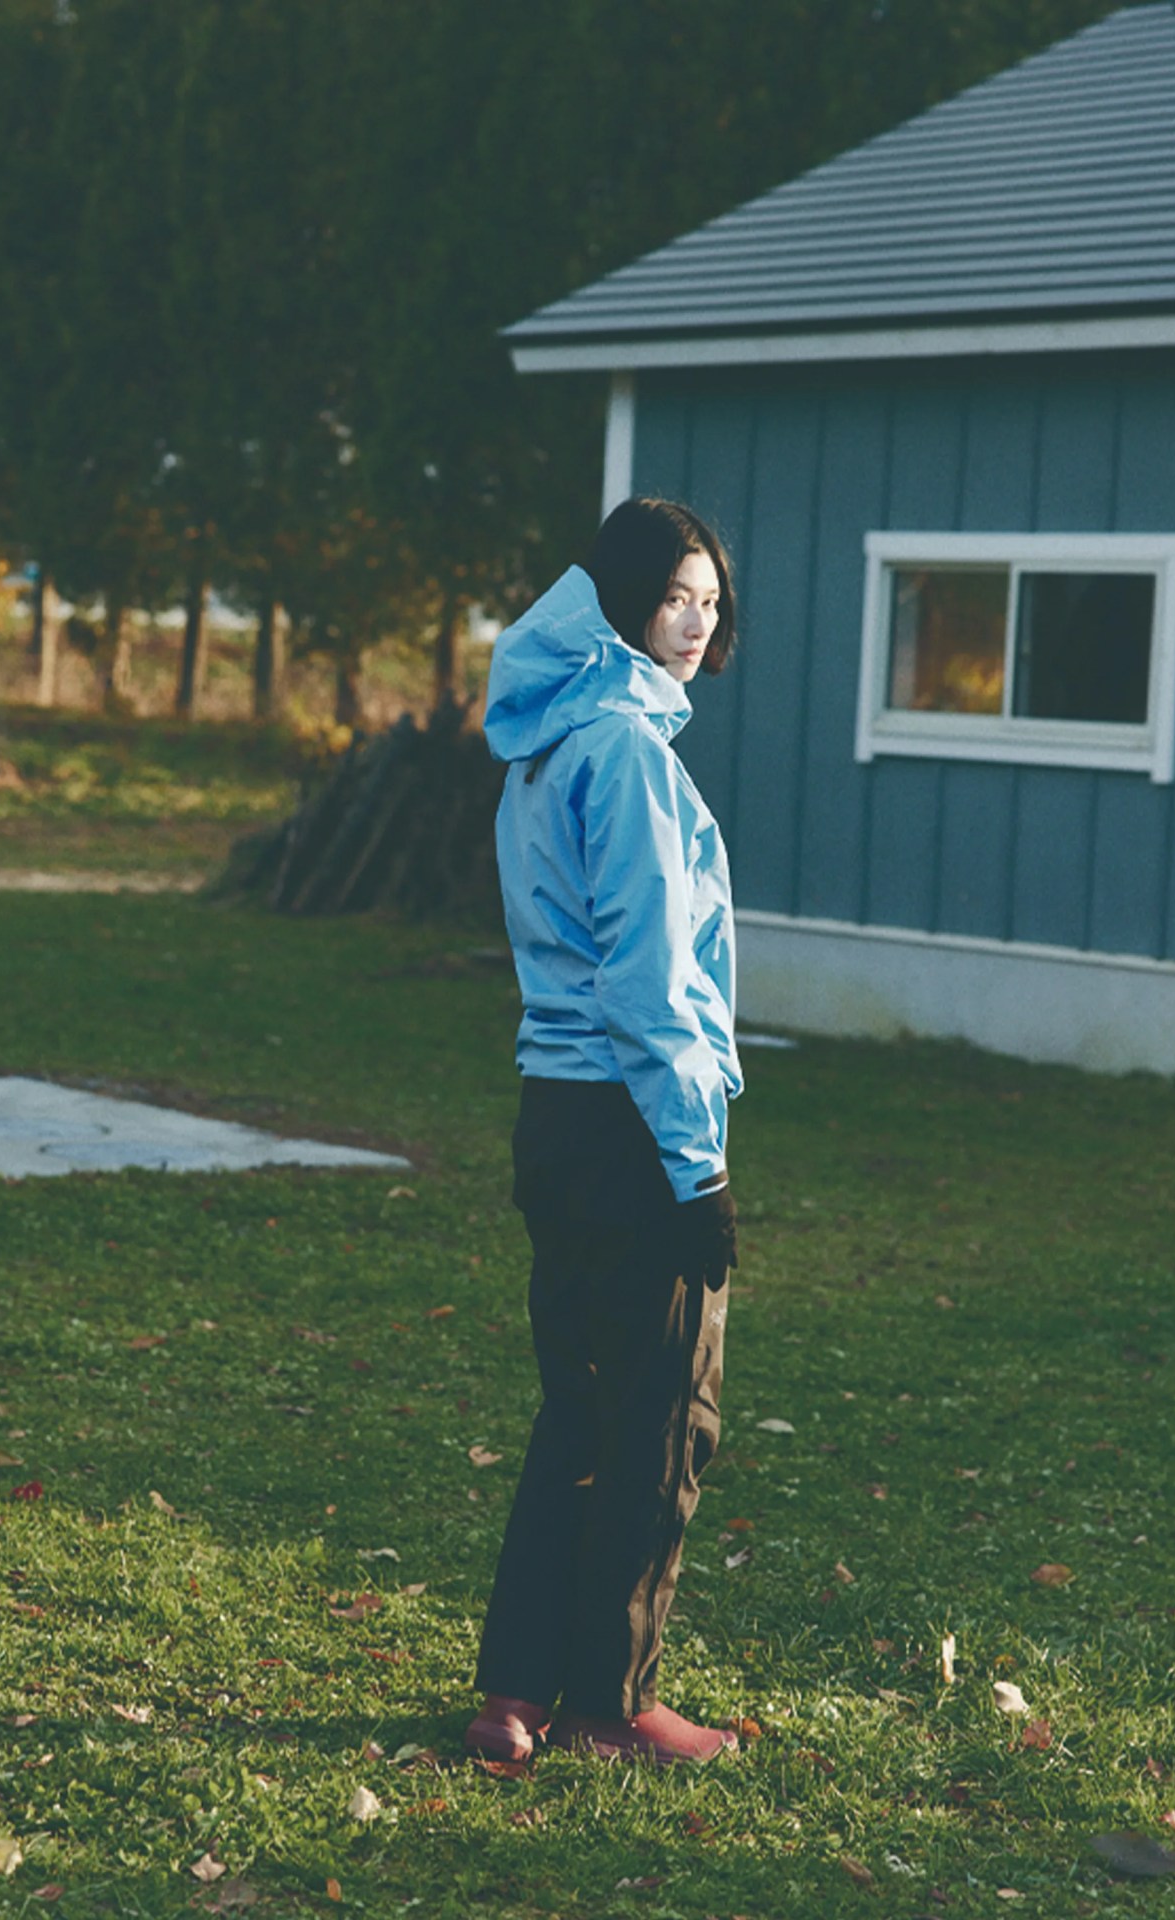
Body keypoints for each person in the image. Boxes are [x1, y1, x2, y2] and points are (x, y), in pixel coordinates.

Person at [467, 497, 745, 1767]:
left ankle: (513, 1695)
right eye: (675, 595)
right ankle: (608, 1703)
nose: (696, 621)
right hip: (632, 1123)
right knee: (658, 1418)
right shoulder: (623, 748)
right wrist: (697, 1165)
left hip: (554, 1114)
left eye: (710, 599)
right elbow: (648, 983)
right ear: (621, 598)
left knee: (576, 1409)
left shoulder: (540, 740)